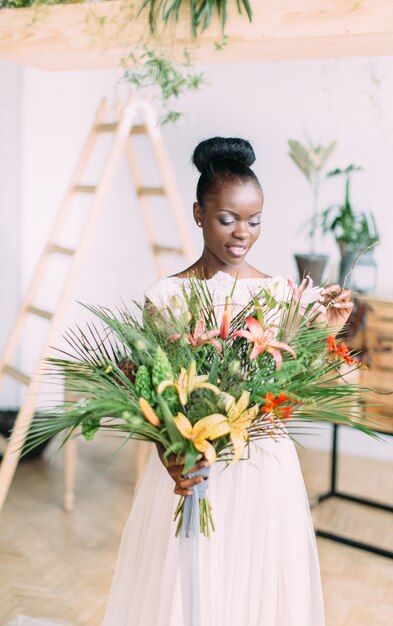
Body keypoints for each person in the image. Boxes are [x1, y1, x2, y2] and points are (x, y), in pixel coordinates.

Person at [8, 136, 352, 626]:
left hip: (264, 467)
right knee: (190, 583)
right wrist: (173, 453)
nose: (242, 233)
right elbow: (157, 395)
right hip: (193, 465)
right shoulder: (166, 297)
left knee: (254, 581)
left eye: (254, 221)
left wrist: (329, 330)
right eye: (227, 219)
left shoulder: (279, 292)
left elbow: (296, 379)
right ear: (198, 214)